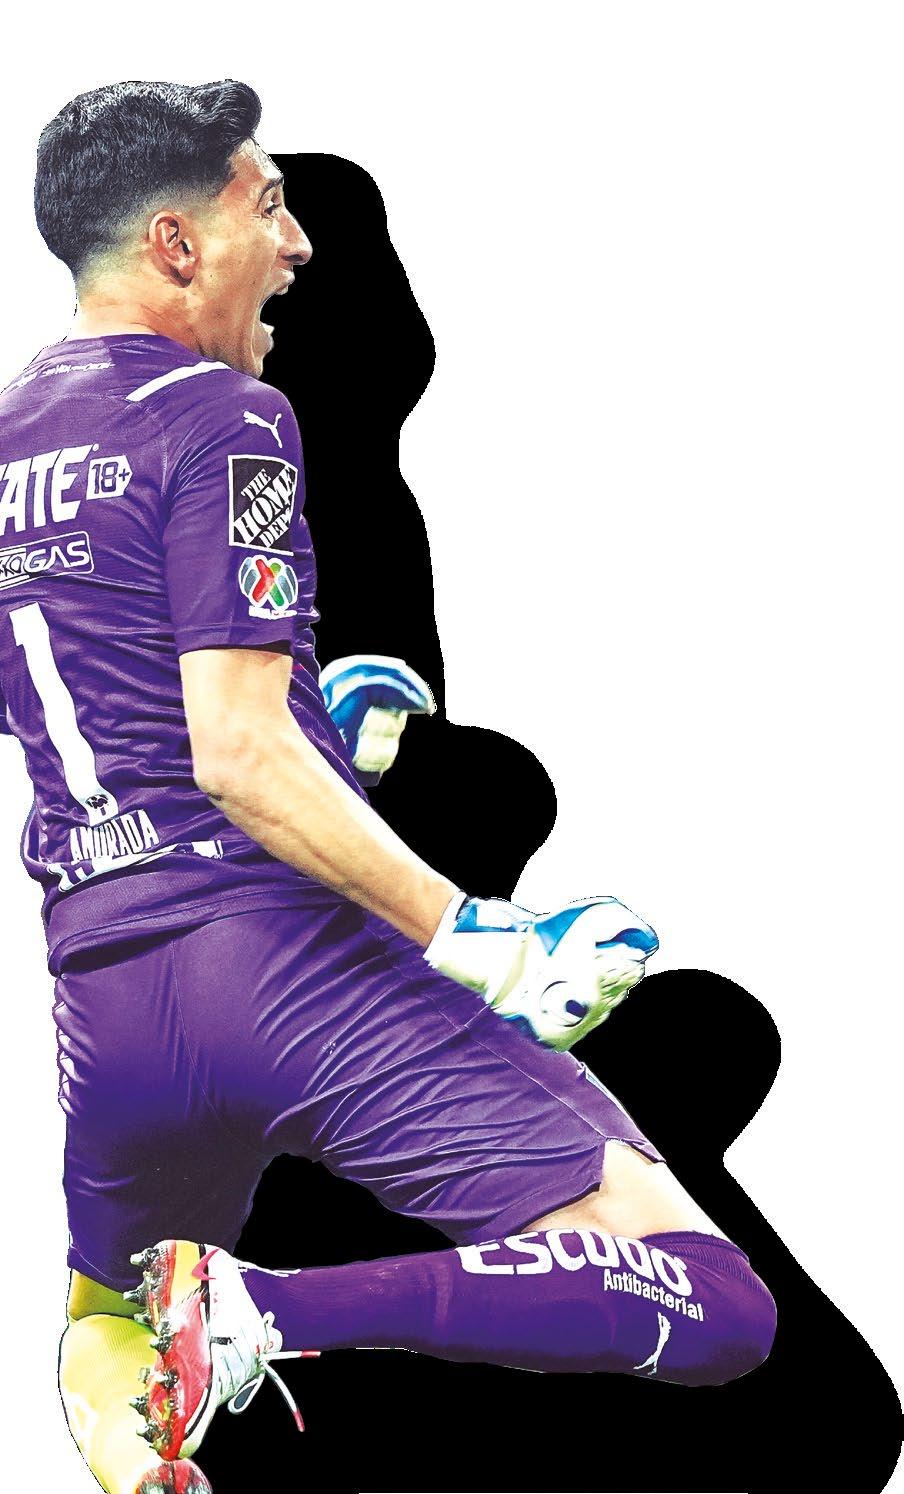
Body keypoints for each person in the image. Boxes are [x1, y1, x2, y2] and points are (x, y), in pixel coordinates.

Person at [0, 80, 776, 1494]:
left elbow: (102, 691)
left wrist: (328, 725)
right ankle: (268, 1310)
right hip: (282, 968)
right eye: (268, 207)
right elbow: (237, 755)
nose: (296, 244)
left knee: (107, 1322)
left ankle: (142, 1465)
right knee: (718, 1303)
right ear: (177, 244)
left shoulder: (9, 433)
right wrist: (483, 937)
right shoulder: (224, 413)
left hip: (106, 1016)